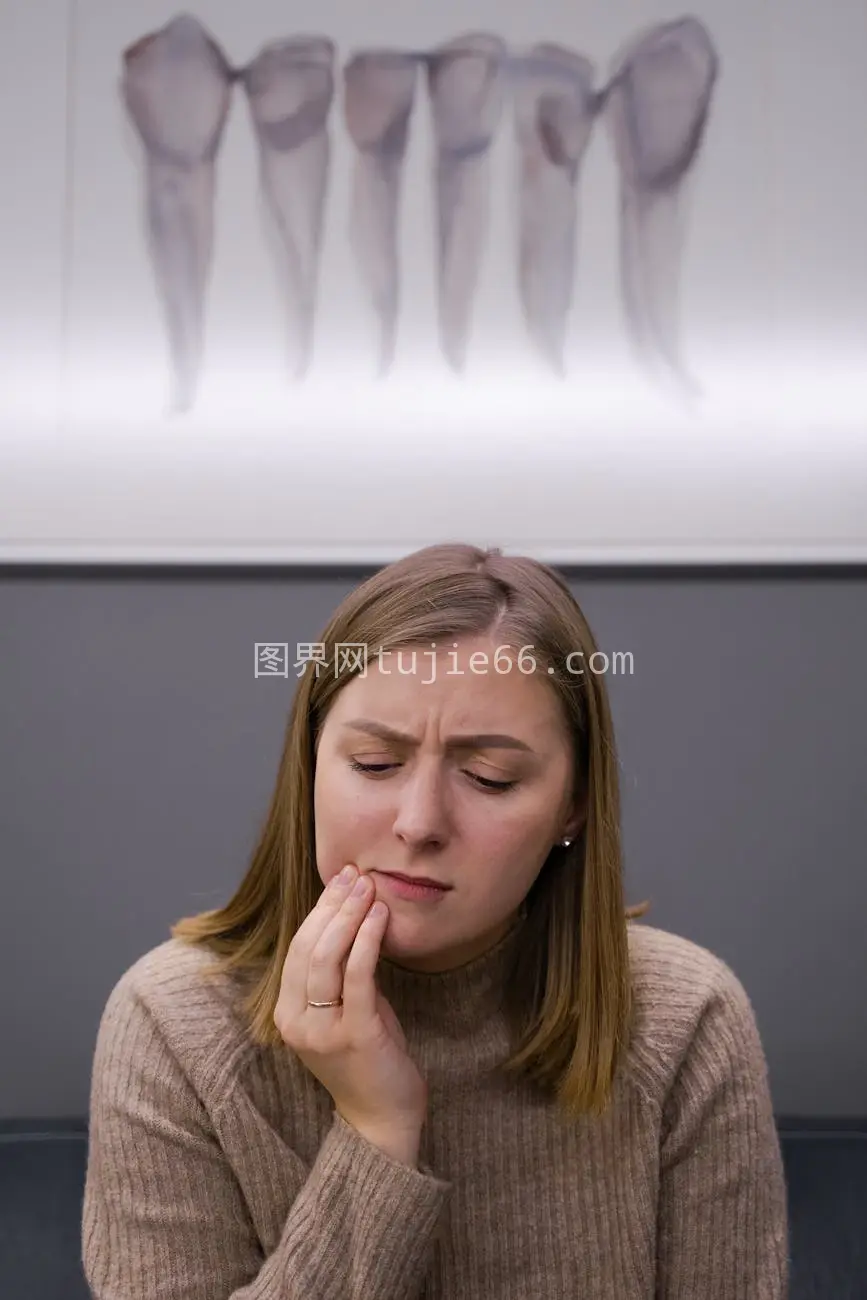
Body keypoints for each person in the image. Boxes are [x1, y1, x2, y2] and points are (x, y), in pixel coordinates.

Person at [81, 542, 789, 1298]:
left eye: (489, 777)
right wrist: (375, 1131)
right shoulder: (169, 1025)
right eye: (375, 766)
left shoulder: (684, 1020)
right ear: (311, 766)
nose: (418, 823)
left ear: (573, 805)